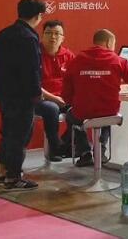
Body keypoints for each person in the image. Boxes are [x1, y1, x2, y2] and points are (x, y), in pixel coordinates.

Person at [62, 29, 128, 167]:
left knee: (71, 116)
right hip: (109, 111)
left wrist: (72, 102)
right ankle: (101, 150)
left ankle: (84, 153)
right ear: (109, 42)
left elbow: (66, 92)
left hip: (82, 111)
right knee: (105, 115)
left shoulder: (76, 60)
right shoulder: (119, 61)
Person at [0, 0, 45, 191]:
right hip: (22, 96)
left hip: (4, 92)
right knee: (20, 136)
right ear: (38, 16)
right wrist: (36, 92)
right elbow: (31, 69)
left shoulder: (4, 34)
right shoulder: (29, 38)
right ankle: (14, 176)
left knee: (7, 132)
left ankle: (3, 171)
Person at [34, 20, 74, 162]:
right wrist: (55, 99)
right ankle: (54, 149)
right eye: (49, 33)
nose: (53, 37)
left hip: (64, 98)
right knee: (51, 108)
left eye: (57, 34)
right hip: (40, 99)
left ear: (63, 38)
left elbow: (75, 80)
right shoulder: (34, 54)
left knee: (81, 109)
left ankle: (70, 146)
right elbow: (33, 84)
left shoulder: (68, 56)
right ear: (42, 35)